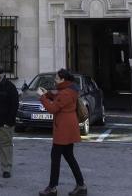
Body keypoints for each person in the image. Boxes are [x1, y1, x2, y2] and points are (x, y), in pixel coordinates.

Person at [38, 68, 87, 196]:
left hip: (64, 128)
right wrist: (48, 94)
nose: (55, 80)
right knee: (69, 157)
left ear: (63, 79)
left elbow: (53, 108)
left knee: (56, 158)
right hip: (68, 127)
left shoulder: (65, 92)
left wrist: (42, 98)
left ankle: (52, 188)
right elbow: (58, 96)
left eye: (57, 78)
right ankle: (81, 185)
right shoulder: (69, 90)